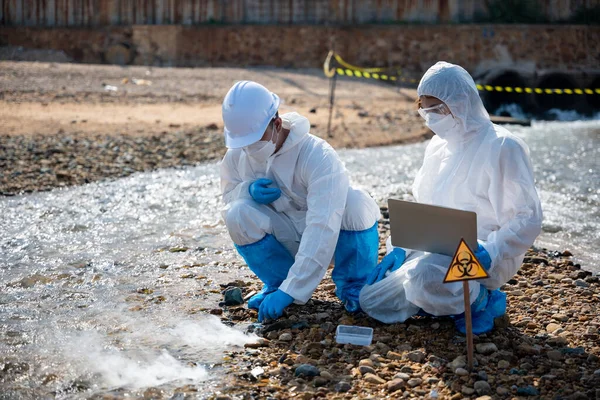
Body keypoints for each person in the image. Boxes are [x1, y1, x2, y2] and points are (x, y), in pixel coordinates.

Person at [359, 62, 543, 334]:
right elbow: (424, 210)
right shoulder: (437, 147)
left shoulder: (502, 146)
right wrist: (401, 247)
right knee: (372, 298)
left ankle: (484, 299)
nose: (430, 117)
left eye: (437, 109)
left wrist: (491, 252)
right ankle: (443, 298)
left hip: (486, 252)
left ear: (460, 102)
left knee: (423, 278)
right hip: (437, 248)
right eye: (425, 109)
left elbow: (528, 217)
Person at [220, 81, 380, 322]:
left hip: (333, 242)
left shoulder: (317, 155)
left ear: (276, 123)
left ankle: (355, 286)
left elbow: (322, 224)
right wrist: (246, 191)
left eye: (254, 140)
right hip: (286, 236)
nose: (248, 149)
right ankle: (278, 282)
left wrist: (292, 291)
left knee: (356, 203)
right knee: (237, 213)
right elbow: (227, 196)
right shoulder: (238, 153)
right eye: (242, 143)